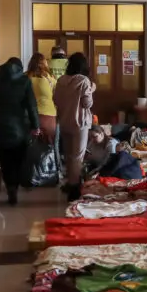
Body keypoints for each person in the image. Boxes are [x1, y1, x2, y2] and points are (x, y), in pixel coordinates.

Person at [0, 57, 39, 205]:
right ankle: (15, 186)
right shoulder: (25, 81)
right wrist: (35, 125)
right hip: (19, 127)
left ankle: (10, 188)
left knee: (5, 160)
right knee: (18, 158)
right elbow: (31, 106)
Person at [53, 52, 95, 201]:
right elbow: (87, 103)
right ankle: (74, 188)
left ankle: (70, 183)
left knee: (69, 156)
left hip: (64, 122)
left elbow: (56, 99)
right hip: (80, 124)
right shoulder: (84, 81)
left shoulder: (61, 80)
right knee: (78, 156)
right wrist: (92, 89)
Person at [27, 53, 57, 144]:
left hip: (29, 115)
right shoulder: (50, 78)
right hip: (49, 114)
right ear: (45, 63)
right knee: (49, 145)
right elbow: (56, 94)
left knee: (30, 145)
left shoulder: (26, 77)